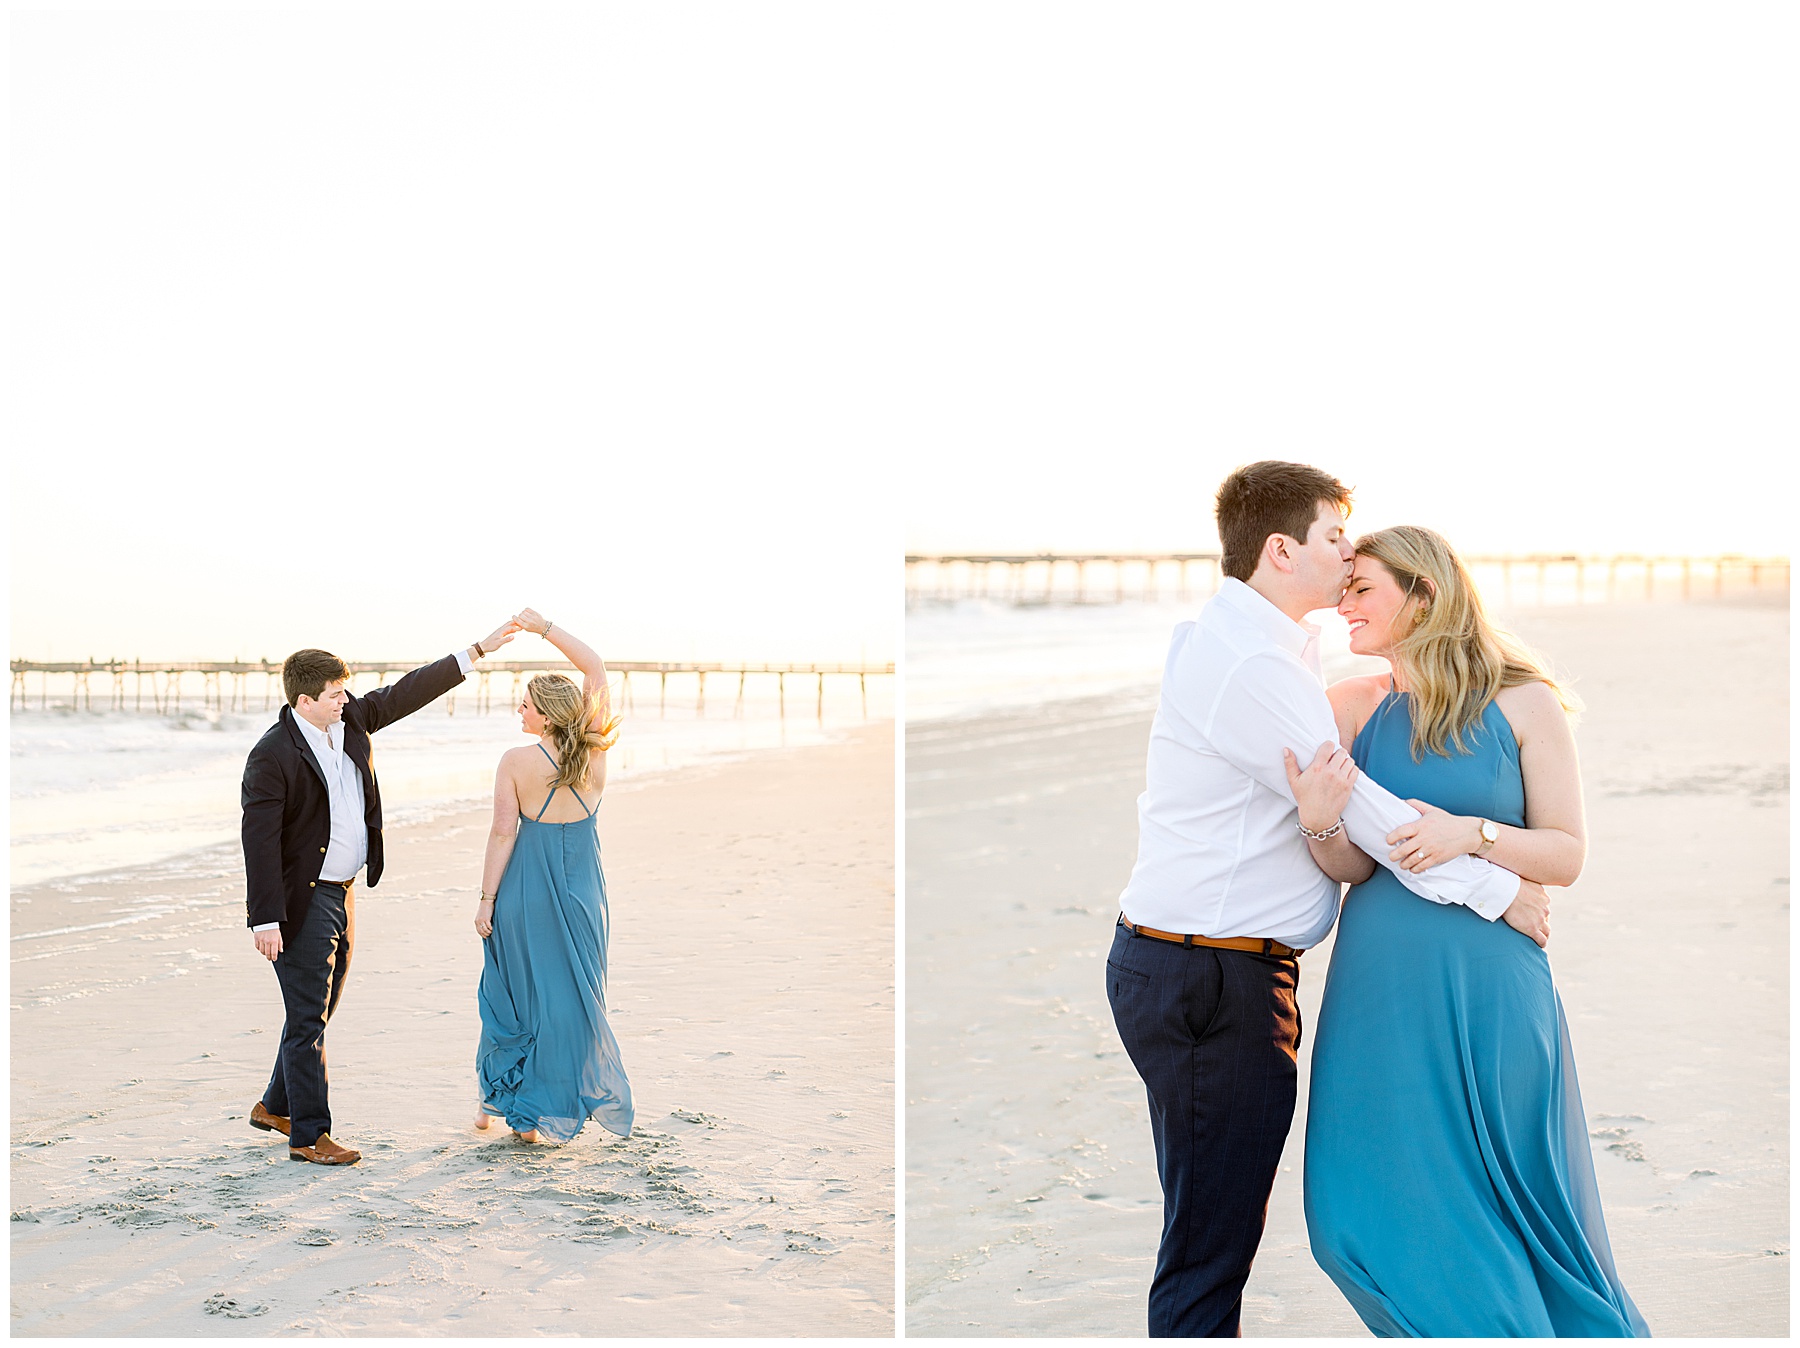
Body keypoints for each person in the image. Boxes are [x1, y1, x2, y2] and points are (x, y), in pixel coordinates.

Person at [1105, 460, 1551, 1337]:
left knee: (1211, 1229)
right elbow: (1378, 818)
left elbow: (1344, 813)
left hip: (1202, 967)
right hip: (1210, 977)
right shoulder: (1253, 667)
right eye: (1334, 536)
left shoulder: (1258, 648)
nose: (1348, 556)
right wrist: (1498, 887)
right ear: (1282, 549)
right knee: (1210, 1243)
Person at [1293, 525, 1648, 1336]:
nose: (1343, 606)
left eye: (1362, 589)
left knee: (1510, 1200)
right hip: (1380, 985)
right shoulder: (1354, 706)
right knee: (1354, 1209)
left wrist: (1474, 835)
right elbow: (1356, 865)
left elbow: (1565, 855)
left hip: (1490, 983)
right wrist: (1320, 828)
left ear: (1423, 594)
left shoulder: (1523, 701)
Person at [243, 624, 520, 1165]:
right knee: (306, 1018)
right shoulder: (271, 755)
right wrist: (265, 920)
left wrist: (477, 651)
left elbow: (407, 692)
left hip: (343, 893)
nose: (344, 701)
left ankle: (275, 1106)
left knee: (318, 1009)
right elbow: (259, 843)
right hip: (302, 900)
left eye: (345, 692)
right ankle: (309, 1136)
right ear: (304, 700)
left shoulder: (350, 723)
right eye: (333, 695)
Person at [472, 608, 634, 1144]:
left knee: (518, 994)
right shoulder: (594, 751)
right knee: (573, 998)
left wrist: (486, 899)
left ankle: (508, 1104)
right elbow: (595, 667)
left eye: (526, 704)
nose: (519, 710)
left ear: (544, 714)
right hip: (584, 893)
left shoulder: (515, 761)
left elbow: (502, 835)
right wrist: (544, 629)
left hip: (524, 892)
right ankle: (541, 1108)